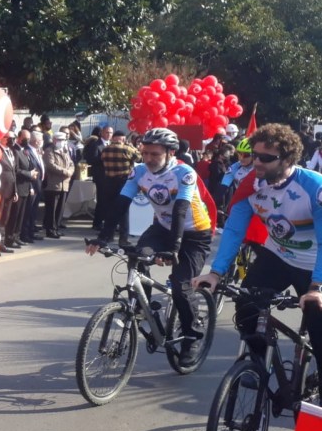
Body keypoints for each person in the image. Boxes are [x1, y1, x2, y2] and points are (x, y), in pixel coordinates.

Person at [193, 123, 322, 378]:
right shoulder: (251, 185)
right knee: (246, 307)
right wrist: (216, 273)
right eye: (255, 155)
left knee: (318, 329)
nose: (257, 162)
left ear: (287, 159)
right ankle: (258, 362)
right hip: (277, 256)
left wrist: (317, 287)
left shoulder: (313, 187)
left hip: (314, 264)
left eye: (266, 158)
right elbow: (233, 230)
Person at [88, 128, 213, 365]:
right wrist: (103, 237)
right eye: (145, 153)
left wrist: (174, 249)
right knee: (137, 256)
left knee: (181, 286)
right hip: (162, 229)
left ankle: (192, 336)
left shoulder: (184, 172)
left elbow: (180, 210)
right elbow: (121, 203)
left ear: (171, 152)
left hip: (194, 234)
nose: (148, 158)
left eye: (154, 154)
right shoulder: (139, 172)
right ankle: (143, 308)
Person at [98, 130, 139, 246]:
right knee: (124, 210)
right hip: (123, 181)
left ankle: (108, 236)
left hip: (108, 181)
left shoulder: (105, 149)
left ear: (113, 138)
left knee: (110, 209)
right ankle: (123, 238)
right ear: (123, 139)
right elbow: (139, 158)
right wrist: (132, 147)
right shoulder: (127, 149)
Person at [43, 131, 74, 239]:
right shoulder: (49, 151)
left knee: (60, 209)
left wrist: (70, 171)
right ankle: (50, 230)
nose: (62, 142)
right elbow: (51, 165)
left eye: (63, 140)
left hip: (64, 184)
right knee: (52, 209)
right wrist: (65, 172)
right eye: (60, 140)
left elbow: (71, 164)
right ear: (54, 140)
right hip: (53, 184)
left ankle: (56, 228)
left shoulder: (65, 150)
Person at [7, 130, 35, 250]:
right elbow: (16, 170)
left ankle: (17, 236)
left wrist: (31, 179)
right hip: (18, 187)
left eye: (29, 138)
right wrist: (29, 174)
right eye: (25, 138)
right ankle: (10, 238)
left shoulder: (24, 151)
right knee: (15, 215)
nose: (27, 141)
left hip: (25, 187)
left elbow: (29, 167)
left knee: (21, 216)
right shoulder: (15, 151)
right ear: (19, 137)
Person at [0, 131, 18, 254]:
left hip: (10, 190)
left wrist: (15, 191)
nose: (12, 140)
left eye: (14, 138)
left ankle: (2, 243)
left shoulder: (11, 151)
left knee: (5, 218)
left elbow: (13, 172)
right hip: (0, 190)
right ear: (2, 138)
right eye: (10, 138)